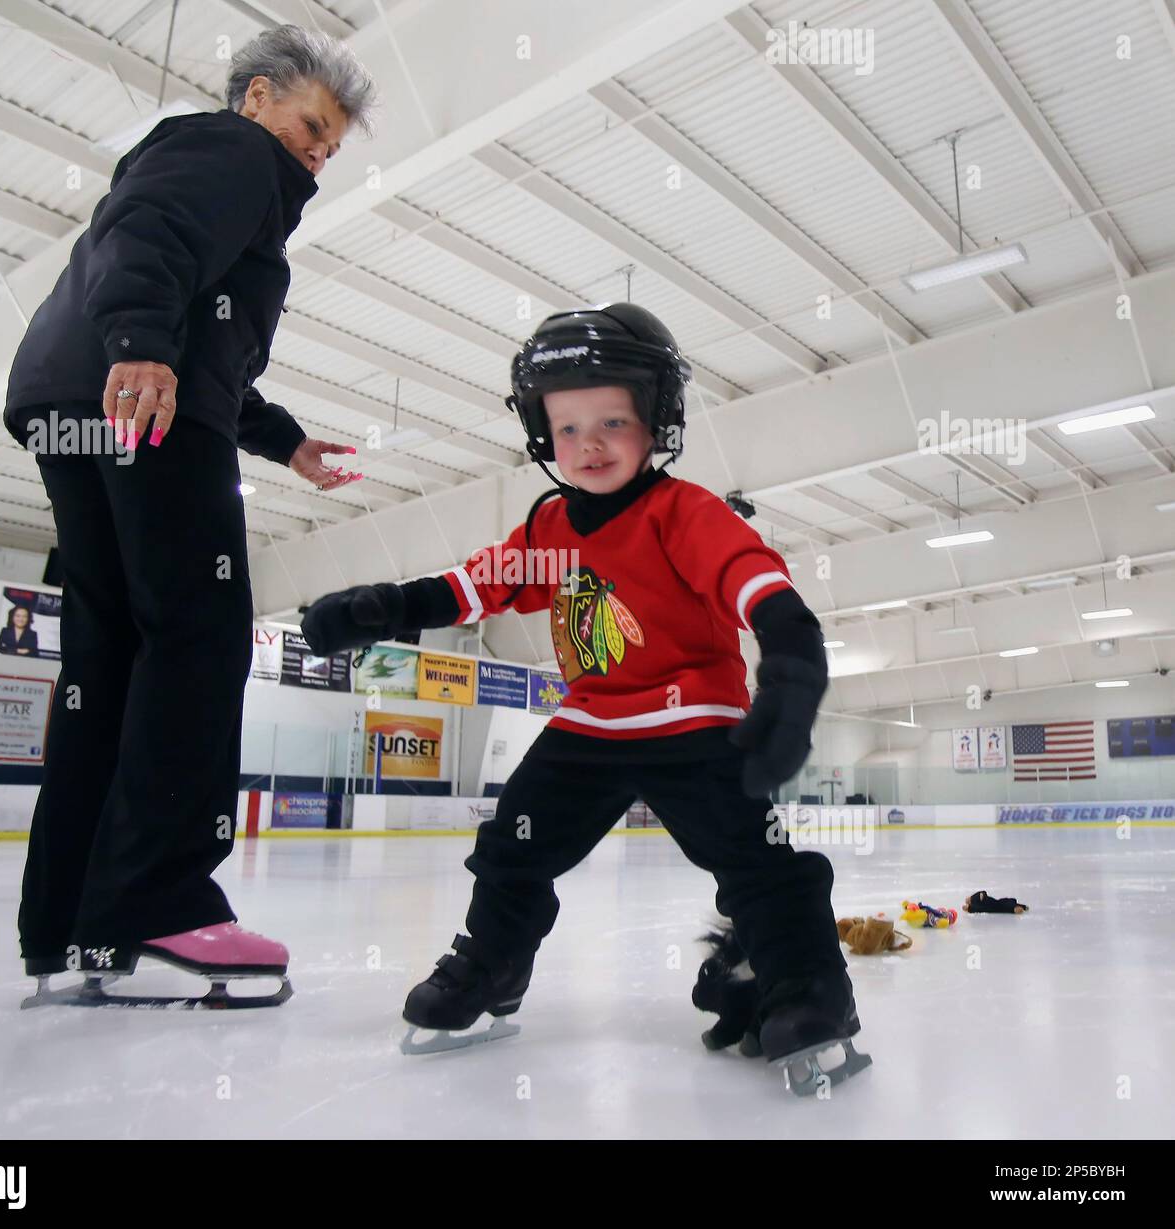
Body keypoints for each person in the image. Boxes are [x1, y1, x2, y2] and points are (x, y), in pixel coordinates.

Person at [299, 303, 869, 1094]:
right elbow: (472, 587)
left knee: (755, 862)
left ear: (656, 422)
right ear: (542, 435)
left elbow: (759, 588)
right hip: (589, 726)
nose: (589, 445)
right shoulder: (550, 530)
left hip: (691, 721)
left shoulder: (683, 512)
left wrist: (793, 671)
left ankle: (806, 985)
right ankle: (495, 964)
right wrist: (379, 608)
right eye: (567, 429)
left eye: (612, 421)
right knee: (511, 849)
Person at [2, 26, 377, 1008]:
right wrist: (138, 343)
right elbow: (156, 232)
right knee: (198, 639)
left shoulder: (219, 168)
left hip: (80, 408)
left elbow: (201, 338)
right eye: (310, 125)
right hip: (141, 405)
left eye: (331, 146)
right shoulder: (228, 150)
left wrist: (282, 439)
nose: (316, 153)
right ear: (254, 99)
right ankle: (154, 910)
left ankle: (71, 923)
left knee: (112, 657)